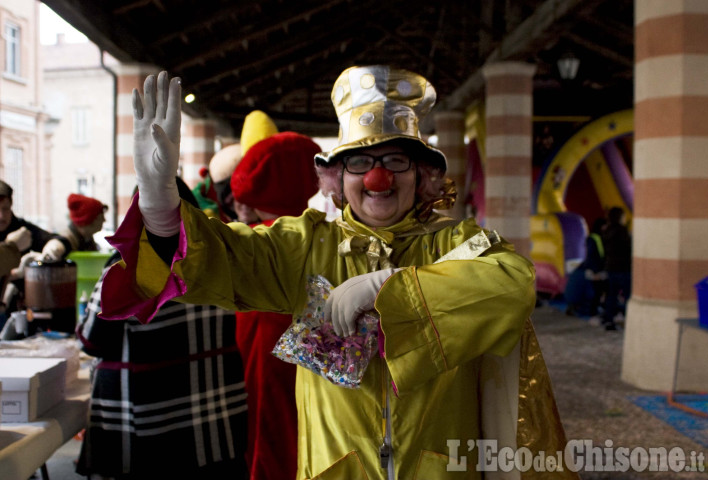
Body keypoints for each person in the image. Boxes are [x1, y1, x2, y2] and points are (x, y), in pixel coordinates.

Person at [100, 67, 576, 479]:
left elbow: (513, 283)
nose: (378, 178)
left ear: (423, 175)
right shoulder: (304, 245)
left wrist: (389, 288)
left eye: (395, 160)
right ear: (336, 178)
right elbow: (223, 259)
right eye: (360, 162)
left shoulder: (454, 242)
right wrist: (161, 207)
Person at [75, 179, 249, 480]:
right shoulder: (221, 256)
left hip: (151, 425)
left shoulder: (126, 268)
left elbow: (92, 342)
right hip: (216, 422)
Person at [230, 129, 321, 479]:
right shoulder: (322, 232)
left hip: (263, 344)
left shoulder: (254, 241)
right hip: (315, 348)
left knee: (266, 422)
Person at [0, 179, 69, 260]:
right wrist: (11, 246)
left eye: (5, 208)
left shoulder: (20, 228)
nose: (1, 216)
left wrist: (55, 246)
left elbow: (57, 239)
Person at [564, 217, 607, 319]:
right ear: (601, 226)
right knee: (594, 291)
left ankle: (592, 310)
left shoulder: (596, 238)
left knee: (595, 291)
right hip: (594, 270)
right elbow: (593, 256)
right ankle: (592, 311)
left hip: (594, 270)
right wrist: (596, 272)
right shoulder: (594, 239)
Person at [601, 206, 632, 331]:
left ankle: (609, 320)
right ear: (620, 217)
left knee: (611, 295)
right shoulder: (622, 231)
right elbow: (628, 248)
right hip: (623, 268)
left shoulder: (606, 231)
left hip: (610, 267)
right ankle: (629, 319)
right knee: (628, 295)